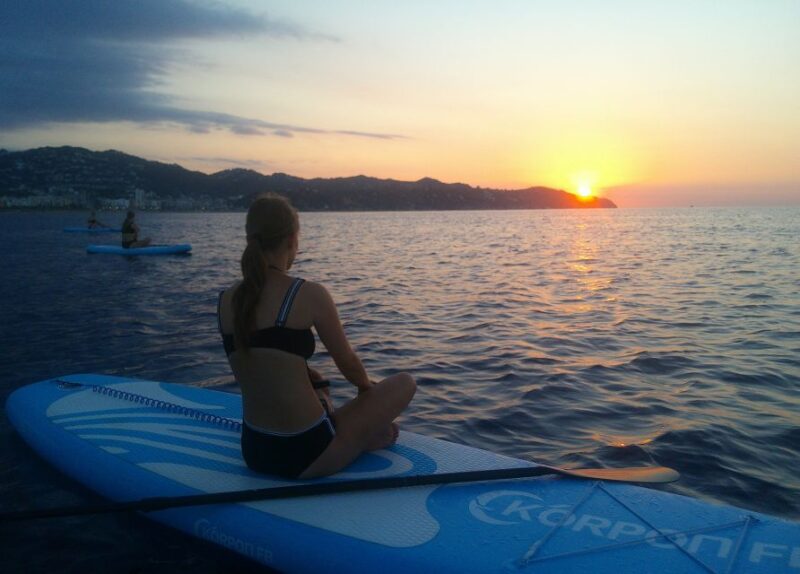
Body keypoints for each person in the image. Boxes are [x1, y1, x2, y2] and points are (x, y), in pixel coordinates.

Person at [217, 193, 416, 479]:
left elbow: (260, 363)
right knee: (405, 383)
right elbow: (348, 363)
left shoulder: (225, 300)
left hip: (255, 451)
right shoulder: (308, 294)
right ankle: (360, 441)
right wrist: (366, 394)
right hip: (306, 453)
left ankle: (353, 436)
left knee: (314, 376)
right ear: (291, 240)